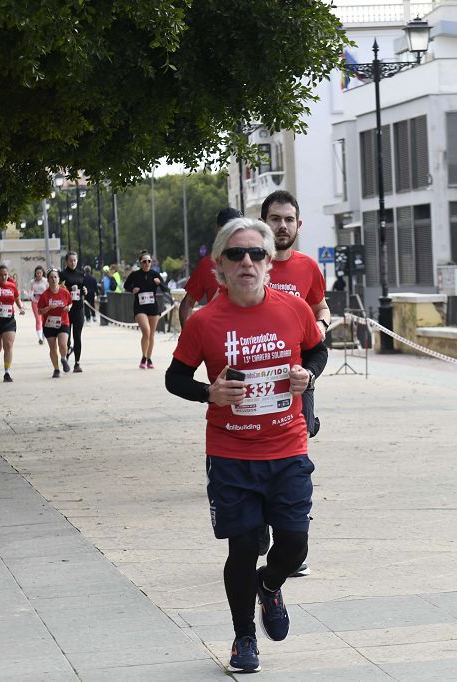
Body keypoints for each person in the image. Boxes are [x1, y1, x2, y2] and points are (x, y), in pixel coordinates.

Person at [165, 218, 327, 673]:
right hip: (232, 454)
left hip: (288, 447)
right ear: (219, 264)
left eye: (257, 253)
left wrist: (307, 375)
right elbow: (174, 378)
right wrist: (208, 392)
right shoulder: (204, 322)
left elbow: (317, 350)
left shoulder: (292, 310)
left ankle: (270, 585)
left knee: (294, 545)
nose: (248, 262)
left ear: (268, 262)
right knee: (241, 549)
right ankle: (243, 639)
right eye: (236, 254)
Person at [260, 190, 331, 576]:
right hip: (259, 380)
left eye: (288, 219)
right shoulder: (250, 265)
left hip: (299, 378)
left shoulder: (307, 267)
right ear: (263, 223)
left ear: (298, 225)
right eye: (275, 219)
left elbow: (320, 305)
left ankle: (292, 543)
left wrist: (320, 324)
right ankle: (261, 530)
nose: (282, 226)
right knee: (263, 453)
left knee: (295, 457)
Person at [179, 208, 240, 327]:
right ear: (218, 230)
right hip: (219, 337)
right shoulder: (207, 264)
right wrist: (187, 338)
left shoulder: (255, 260)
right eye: (229, 228)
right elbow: (188, 303)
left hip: (249, 339)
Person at [125, 250, 169, 369]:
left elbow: (166, 288)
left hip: (153, 307)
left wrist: (159, 283)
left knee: (151, 335)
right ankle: (143, 357)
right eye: (144, 261)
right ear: (140, 262)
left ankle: (149, 359)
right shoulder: (135, 275)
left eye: (149, 261)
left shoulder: (155, 274)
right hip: (140, 307)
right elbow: (126, 285)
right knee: (146, 331)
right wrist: (132, 289)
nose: (147, 263)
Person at [37, 269, 73, 378]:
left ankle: (63, 358)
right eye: (51, 277)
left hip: (63, 322)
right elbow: (39, 311)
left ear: (58, 279)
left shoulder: (65, 292)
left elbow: (70, 303)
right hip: (49, 324)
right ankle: (56, 369)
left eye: (55, 277)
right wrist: (47, 308)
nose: (53, 279)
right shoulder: (44, 295)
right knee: (53, 348)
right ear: (48, 280)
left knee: (62, 344)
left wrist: (68, 308)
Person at [60, 252, 87, 372]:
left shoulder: (81, 273)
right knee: (67, 337)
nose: (73, 262)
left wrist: (84, 290)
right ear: (67, 261)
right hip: (66, 309)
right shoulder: (62, 274)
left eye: (75, 260)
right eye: (71, 260)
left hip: (78, 308)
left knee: (77, 336)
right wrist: (69, 289)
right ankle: (65, 358)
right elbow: (59, 290)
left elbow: (83, 288)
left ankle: (77, 363)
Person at [29, 266, 49, 344]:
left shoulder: (46, 281)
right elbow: (31, 290)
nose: (39, 274)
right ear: (35, 274)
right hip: (35, 302)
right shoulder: (32, 281)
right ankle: (40, 337)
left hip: (44, 302)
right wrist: (30, 296)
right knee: (38, 319)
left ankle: (44, 337)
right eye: (37, 273)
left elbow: (48, 291)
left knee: (44, 320)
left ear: (42, 273)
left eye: (40, 273)